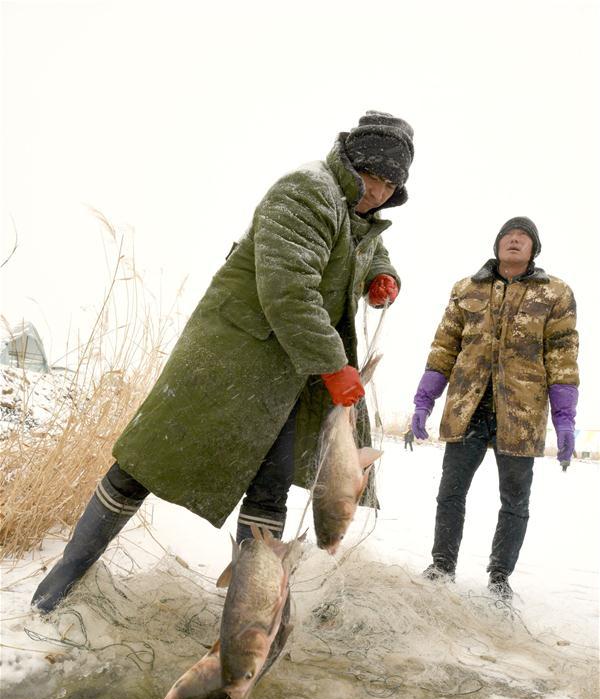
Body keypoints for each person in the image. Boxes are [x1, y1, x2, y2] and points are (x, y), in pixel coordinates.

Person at [32, 110, 415, 615]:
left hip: (285, 377)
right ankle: (63, 578)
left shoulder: (355, 212)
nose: (380, 190)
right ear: (353, 161)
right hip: (230, 359)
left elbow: (369, 249)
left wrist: (381, 277)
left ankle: (247, 617)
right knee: (144, 463)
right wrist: (333, 364)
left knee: (270, 491)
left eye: (392, 183)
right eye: (374, 176)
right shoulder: (307, 191)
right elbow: (289, 291)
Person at [411, 216, 579, 600]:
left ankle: (500, 578)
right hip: (468, 407)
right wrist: (425, 400)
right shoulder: (466, 289)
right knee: (450, 492)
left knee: (515, 501)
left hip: (521, 413)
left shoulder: (555, 294)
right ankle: (442, 565)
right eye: (508, 236)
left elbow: (563, 357)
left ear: (534, 249)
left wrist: (564, 419)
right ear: (497, 245)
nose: (515, 241)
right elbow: (444, 347)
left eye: (523, 238)